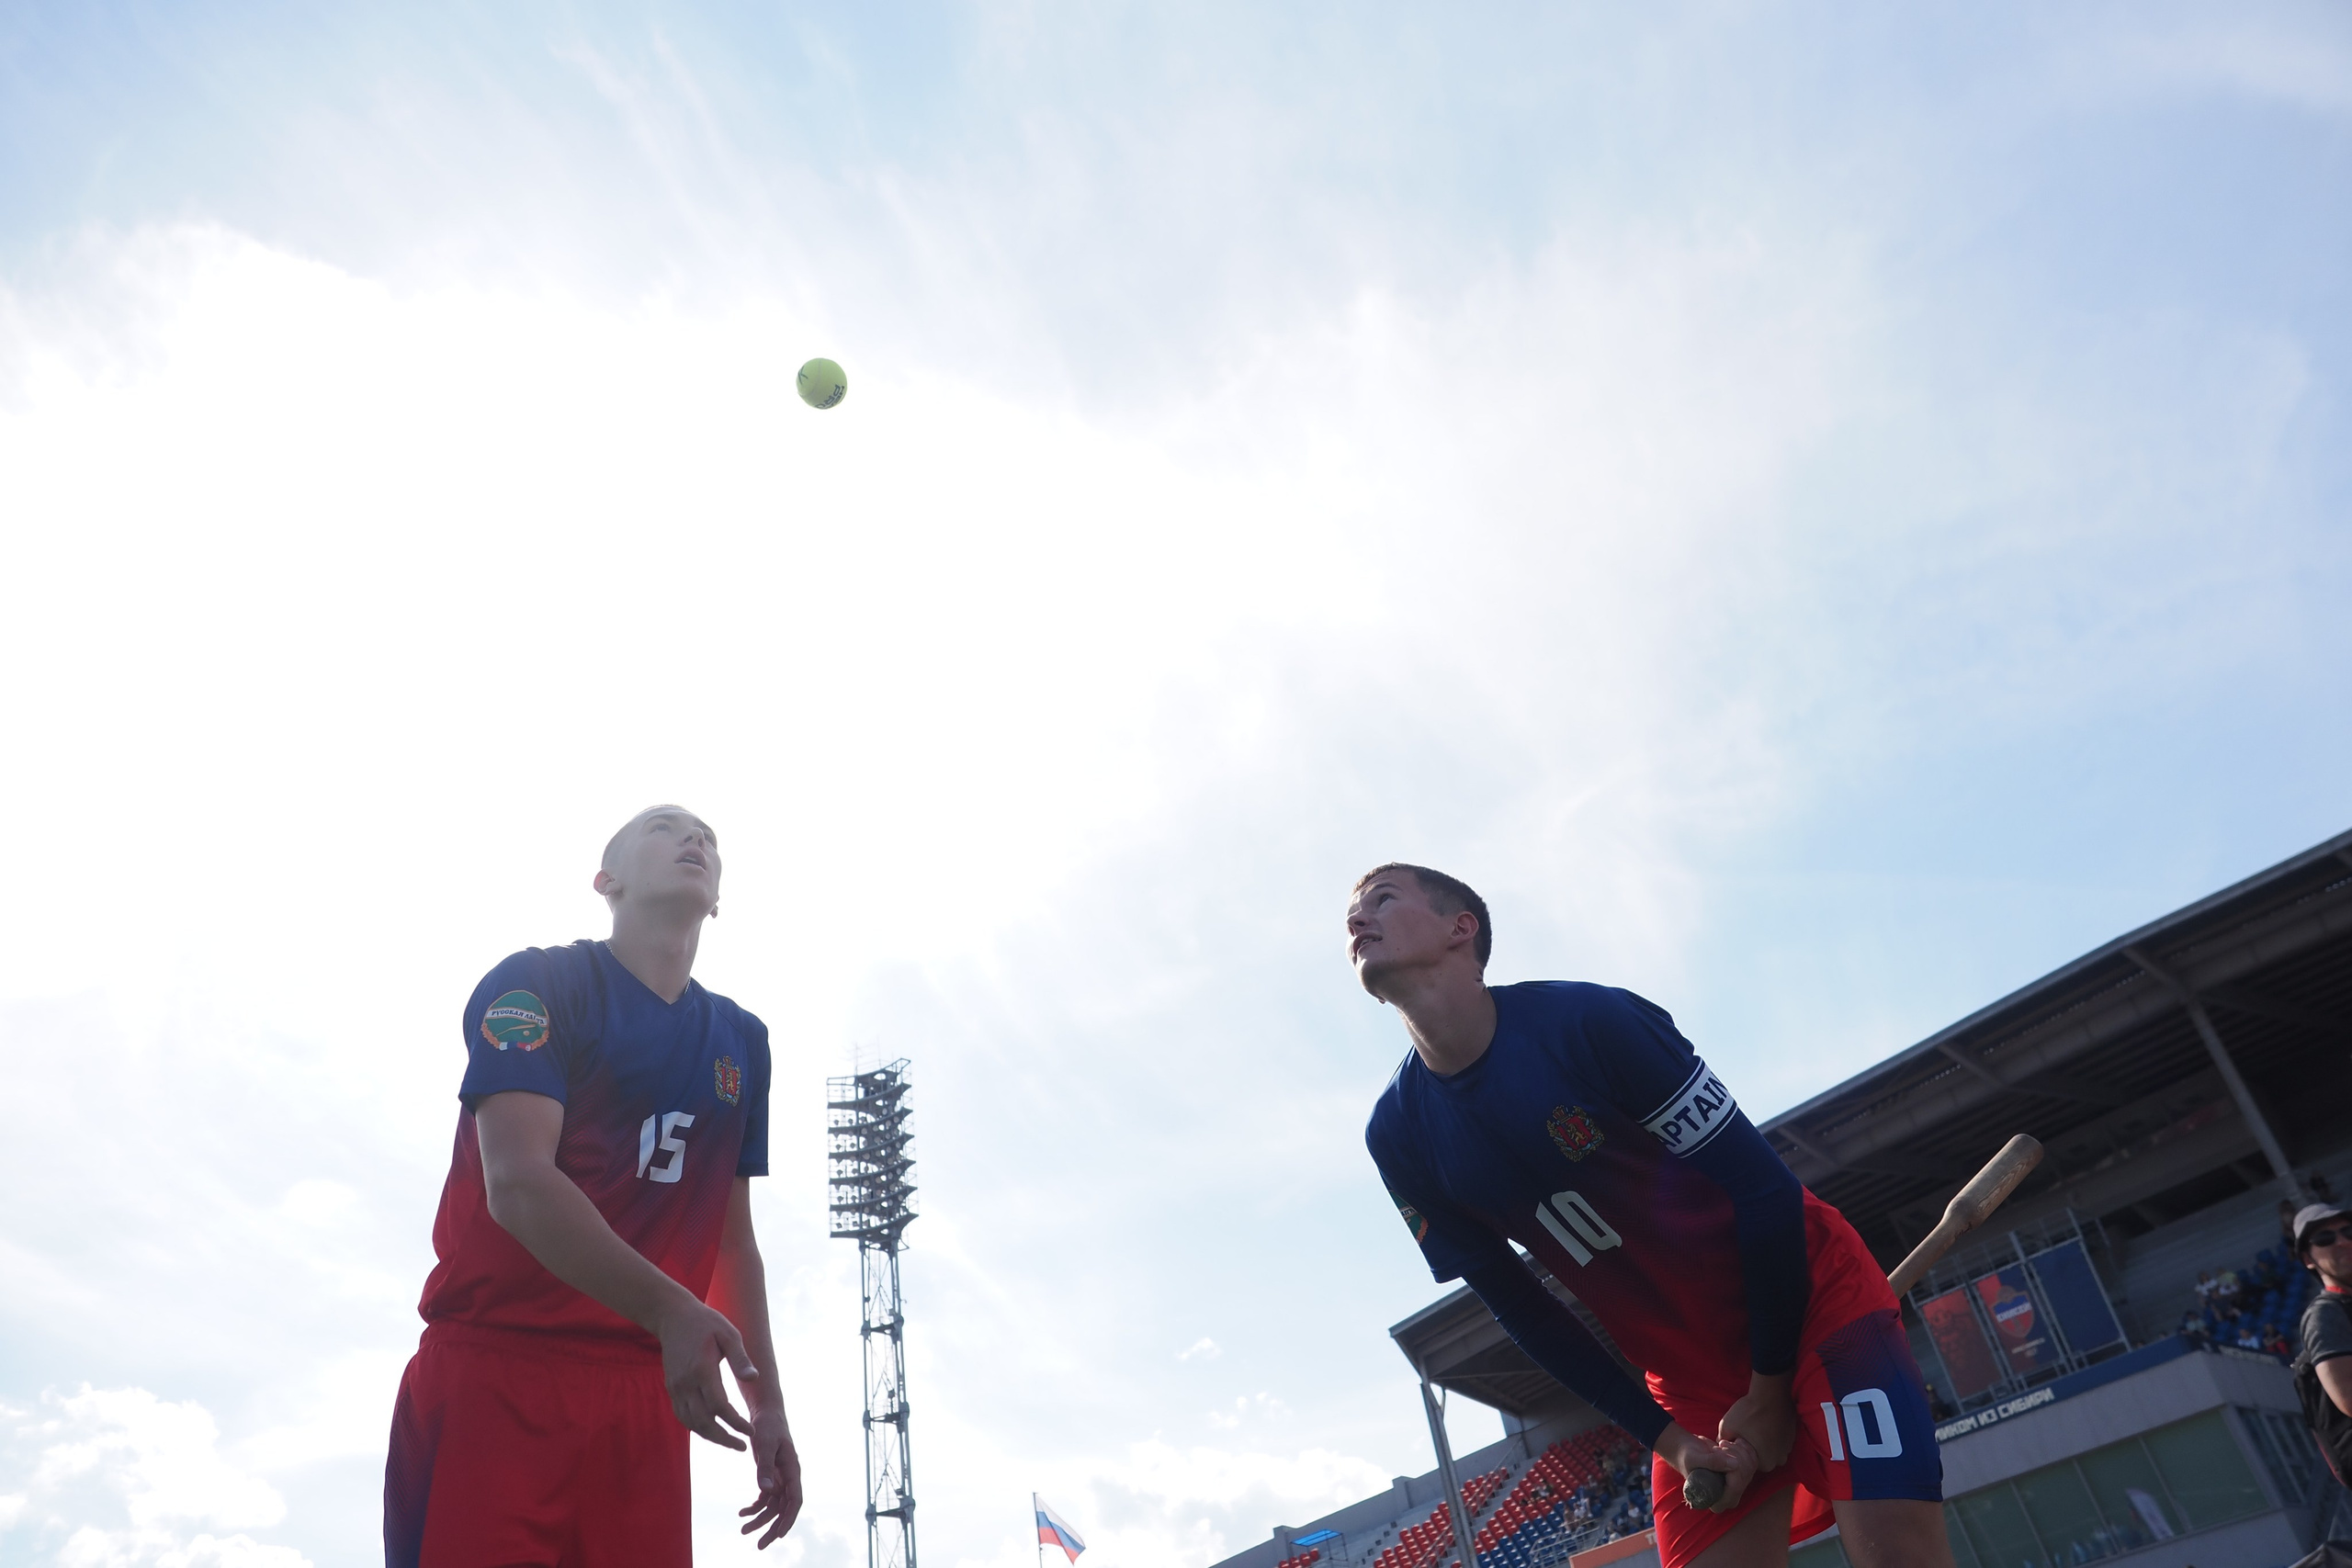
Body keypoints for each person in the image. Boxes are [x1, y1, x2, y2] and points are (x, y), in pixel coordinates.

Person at [1351, 864, 1948, 1568]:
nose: (1357, 922)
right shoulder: (1397, 1133)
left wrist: (1768, 1386)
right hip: (1688, 1382)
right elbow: (1522, 1309)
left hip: (1817, 1308)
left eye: (1382, 900)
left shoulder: (1591, 1024)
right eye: (1351, 916)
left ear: (1462, 928)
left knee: (1896, 1556)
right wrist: (1670, 1438)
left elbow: (1766, 1193)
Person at [384, 807, 802, 1565]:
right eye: (665, 828)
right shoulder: (538, 983)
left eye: (709, 836)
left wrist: (765, 1401)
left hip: (644, 1392)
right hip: (499, 1370)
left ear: (718, 898)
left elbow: (731, 1243)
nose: (695, 839)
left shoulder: (742, 1041)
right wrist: (674, 1309)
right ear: (606, 880)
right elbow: (517, 1182)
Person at [2293, 1202, 2352, 1488]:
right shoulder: (2326, 1316)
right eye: (2325, 1239)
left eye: (2348, 1231)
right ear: (2308, 1258)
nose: (2342, 1241)